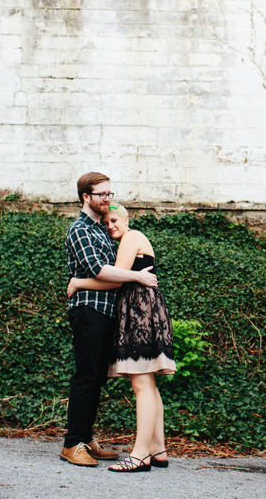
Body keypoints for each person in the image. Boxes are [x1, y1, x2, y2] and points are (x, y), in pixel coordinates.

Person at [67, 203, 176, 473]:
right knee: (147, 383)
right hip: (140, 309)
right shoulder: (129, 239)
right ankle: (157, 450)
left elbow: (115, 280)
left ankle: (140, 456)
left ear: (127, 218)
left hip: (140, 311)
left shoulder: (132, 236)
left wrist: (78, 282)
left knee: (141, 384)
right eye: (106, 224)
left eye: (114, 220)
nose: (110, 226)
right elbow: (123, 277)